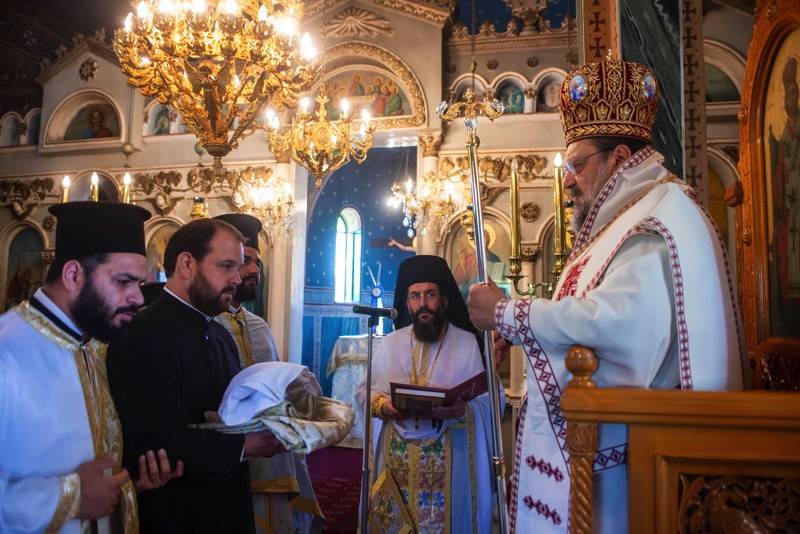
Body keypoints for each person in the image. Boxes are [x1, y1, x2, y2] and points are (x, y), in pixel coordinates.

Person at [468, 55, 744, 532]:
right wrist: (521, 335)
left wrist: (509, 313)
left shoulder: (657, 221)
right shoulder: (631, 214)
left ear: (618, 158)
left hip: (634, 467)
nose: (567, 179)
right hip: (614, 454)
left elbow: (617, 327)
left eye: (577, 164)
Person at [0, 201, 182, 533]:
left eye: (139, 284)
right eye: (124, 282)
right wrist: (70, 498)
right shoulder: (7, 351)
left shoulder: (91, 348)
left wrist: (128, 485)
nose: (139, 299)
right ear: (73, 275)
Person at [107, 218, 285, 534]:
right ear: (187, 264)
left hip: (227, 506)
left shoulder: (219, 334)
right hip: (177, 514)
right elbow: (149, 439)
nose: (236, 278)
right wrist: (244, 445)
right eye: (227, 266)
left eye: (238, 267)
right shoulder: (142, 334)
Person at [361, 255, 497, 533]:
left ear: (444, 301)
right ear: (407, 303)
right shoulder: (391, 343)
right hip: (396, 459)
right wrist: (384, 406)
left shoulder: (466, 342)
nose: (422, 303)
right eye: (415, 296)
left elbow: (488, 399)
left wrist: (463, 410)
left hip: (449, 454)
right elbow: (366, 392)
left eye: (430, 294)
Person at [213, 213, 324, 533]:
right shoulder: (204, 325)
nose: (252, 271)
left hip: (273, 459)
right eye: (243, 261)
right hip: (228, 461)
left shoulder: (259, 326)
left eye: (256, 263)